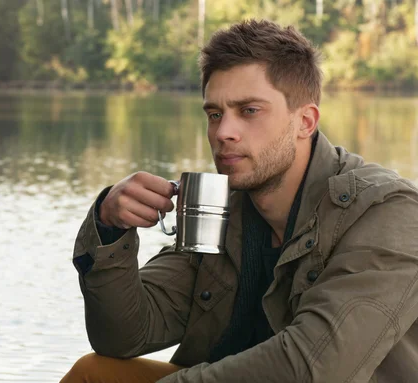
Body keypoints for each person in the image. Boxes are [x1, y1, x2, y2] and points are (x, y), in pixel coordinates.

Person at [61, 19, 418, 383]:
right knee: (94, 374)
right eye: (215, 114)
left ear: (305, 121)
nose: (223, 133)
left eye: (249, 110)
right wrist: (110, 228)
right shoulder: (223, 209)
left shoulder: (391, 213)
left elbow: (312, 369)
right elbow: (123, 336)